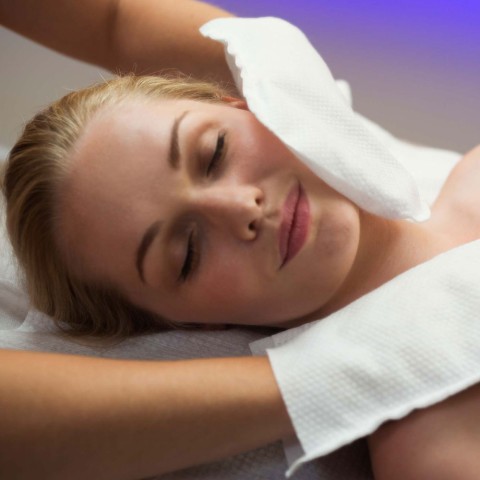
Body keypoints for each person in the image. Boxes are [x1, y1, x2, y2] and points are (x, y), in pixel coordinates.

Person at [1, 2, 480, 479]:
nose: (241, 208)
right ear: (192, 323)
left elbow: (115, 19)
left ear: (245, 103)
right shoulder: (429, 443)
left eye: (215, 153)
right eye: (187, 254)